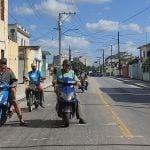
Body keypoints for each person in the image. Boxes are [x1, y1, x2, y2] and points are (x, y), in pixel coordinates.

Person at [52, 59, 86, 124]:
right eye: (66, 65)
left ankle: (81, 118)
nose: (67, 67)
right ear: (63, 66)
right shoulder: (59, 71)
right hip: (61, 88)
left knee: (77, 100)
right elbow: (54, 78)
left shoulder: (72, 72)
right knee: (59, 98)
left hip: (70, 89)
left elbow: (76, 79)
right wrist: (54, 81)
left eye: (68, 66)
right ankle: (59, 107)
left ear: (70, 66)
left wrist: (78, 82)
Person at [0, 58, 27, 126]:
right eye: (1, 63)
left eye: (4, 64)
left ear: (6, 64)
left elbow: (15, 81)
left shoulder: (9, 72)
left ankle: (21, 120)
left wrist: (12, 85)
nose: (3, 65)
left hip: (7, 89)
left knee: (14, 101)